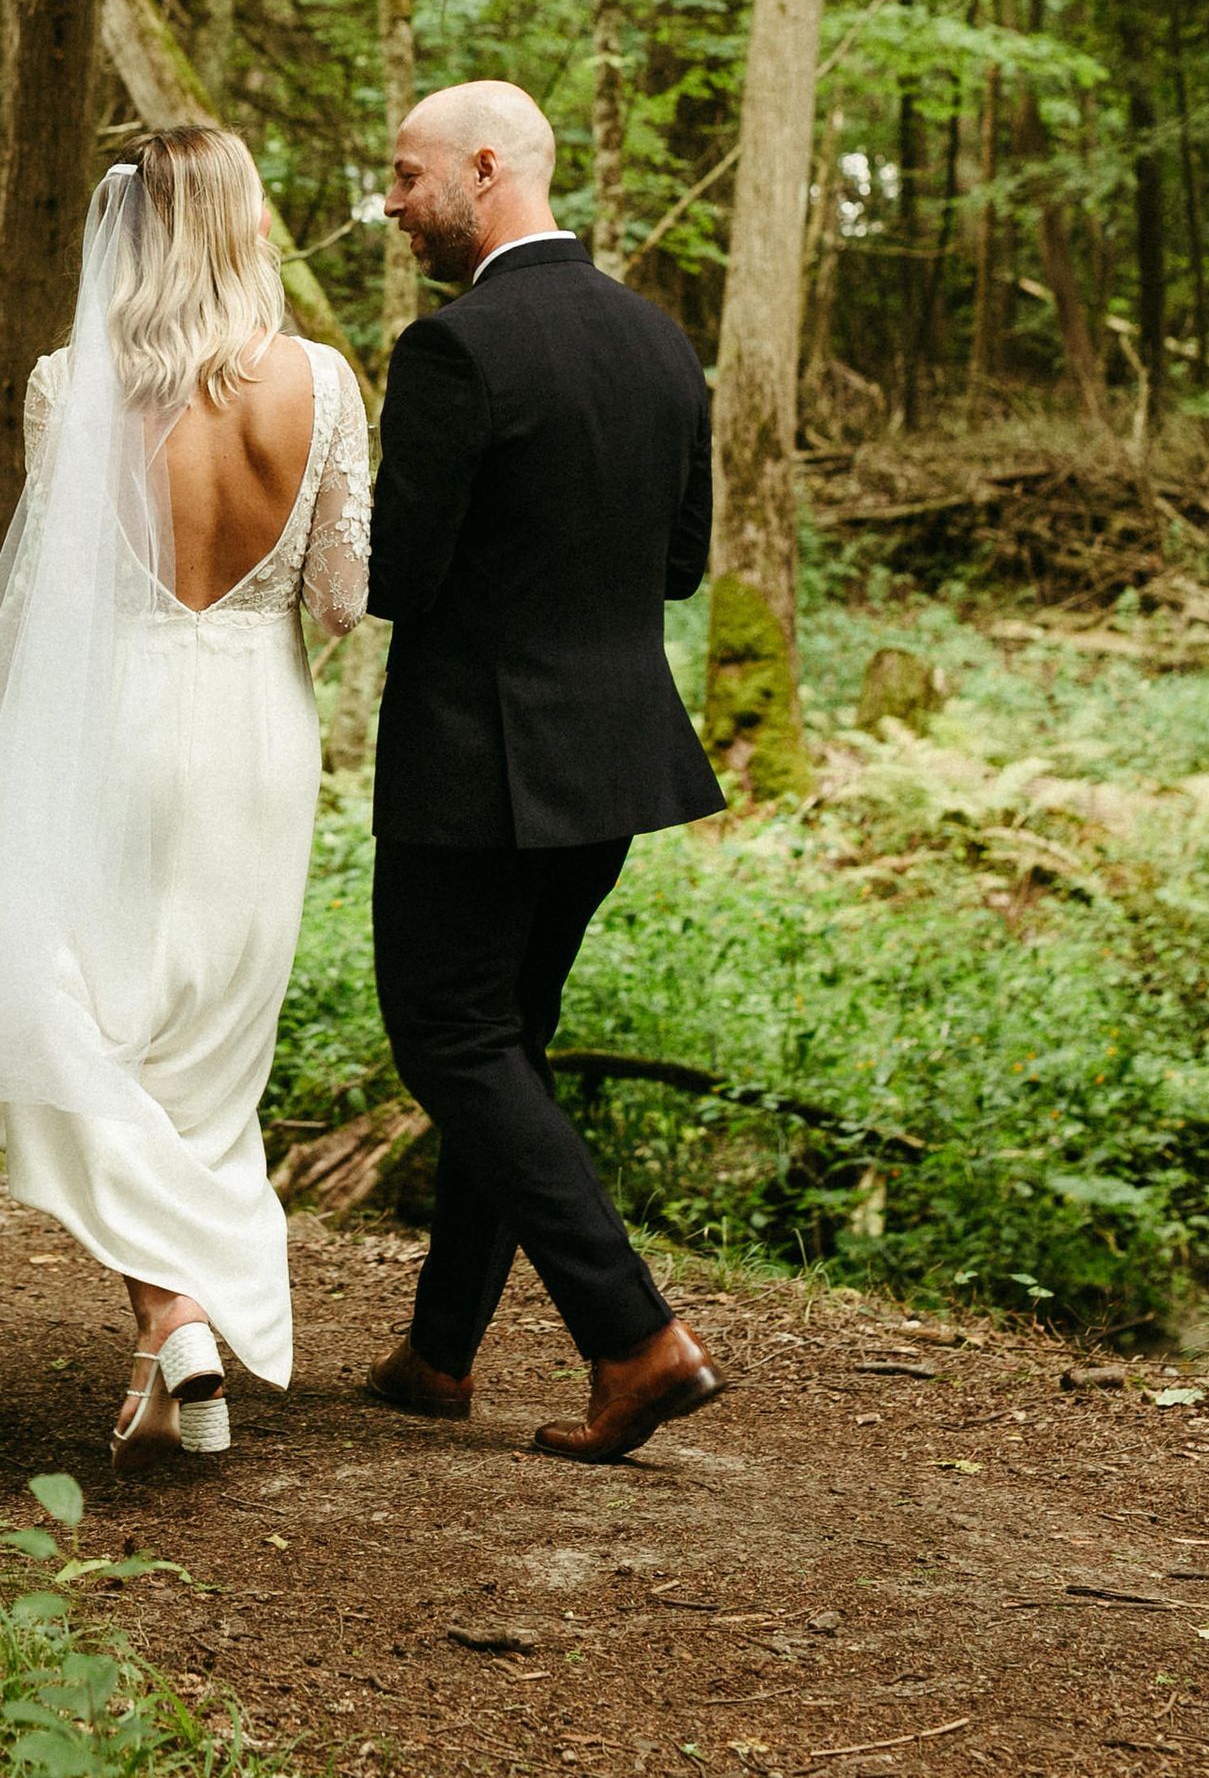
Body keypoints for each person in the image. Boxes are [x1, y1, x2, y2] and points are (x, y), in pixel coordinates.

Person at [0, 128, 371, 1471]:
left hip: (118, 727)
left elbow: (52, 608)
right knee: (207, 1063)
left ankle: (173, 1325)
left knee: (90, 1029)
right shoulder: (323, 382)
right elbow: (340, 599)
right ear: (241, 223)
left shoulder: (73, 386)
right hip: (259, 742)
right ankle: (177, 1336)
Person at [362, 80, 728, 1464]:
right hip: (616, 760)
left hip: (479, 765)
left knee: (448, 1037)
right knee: (501, 1044)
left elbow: (403, 576)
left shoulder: (453, 350)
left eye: (407, 177)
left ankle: (635, 1341)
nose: (394, 204)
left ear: (486, 167)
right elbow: (681, 565)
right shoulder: (658, 343)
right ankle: (440, 1355)